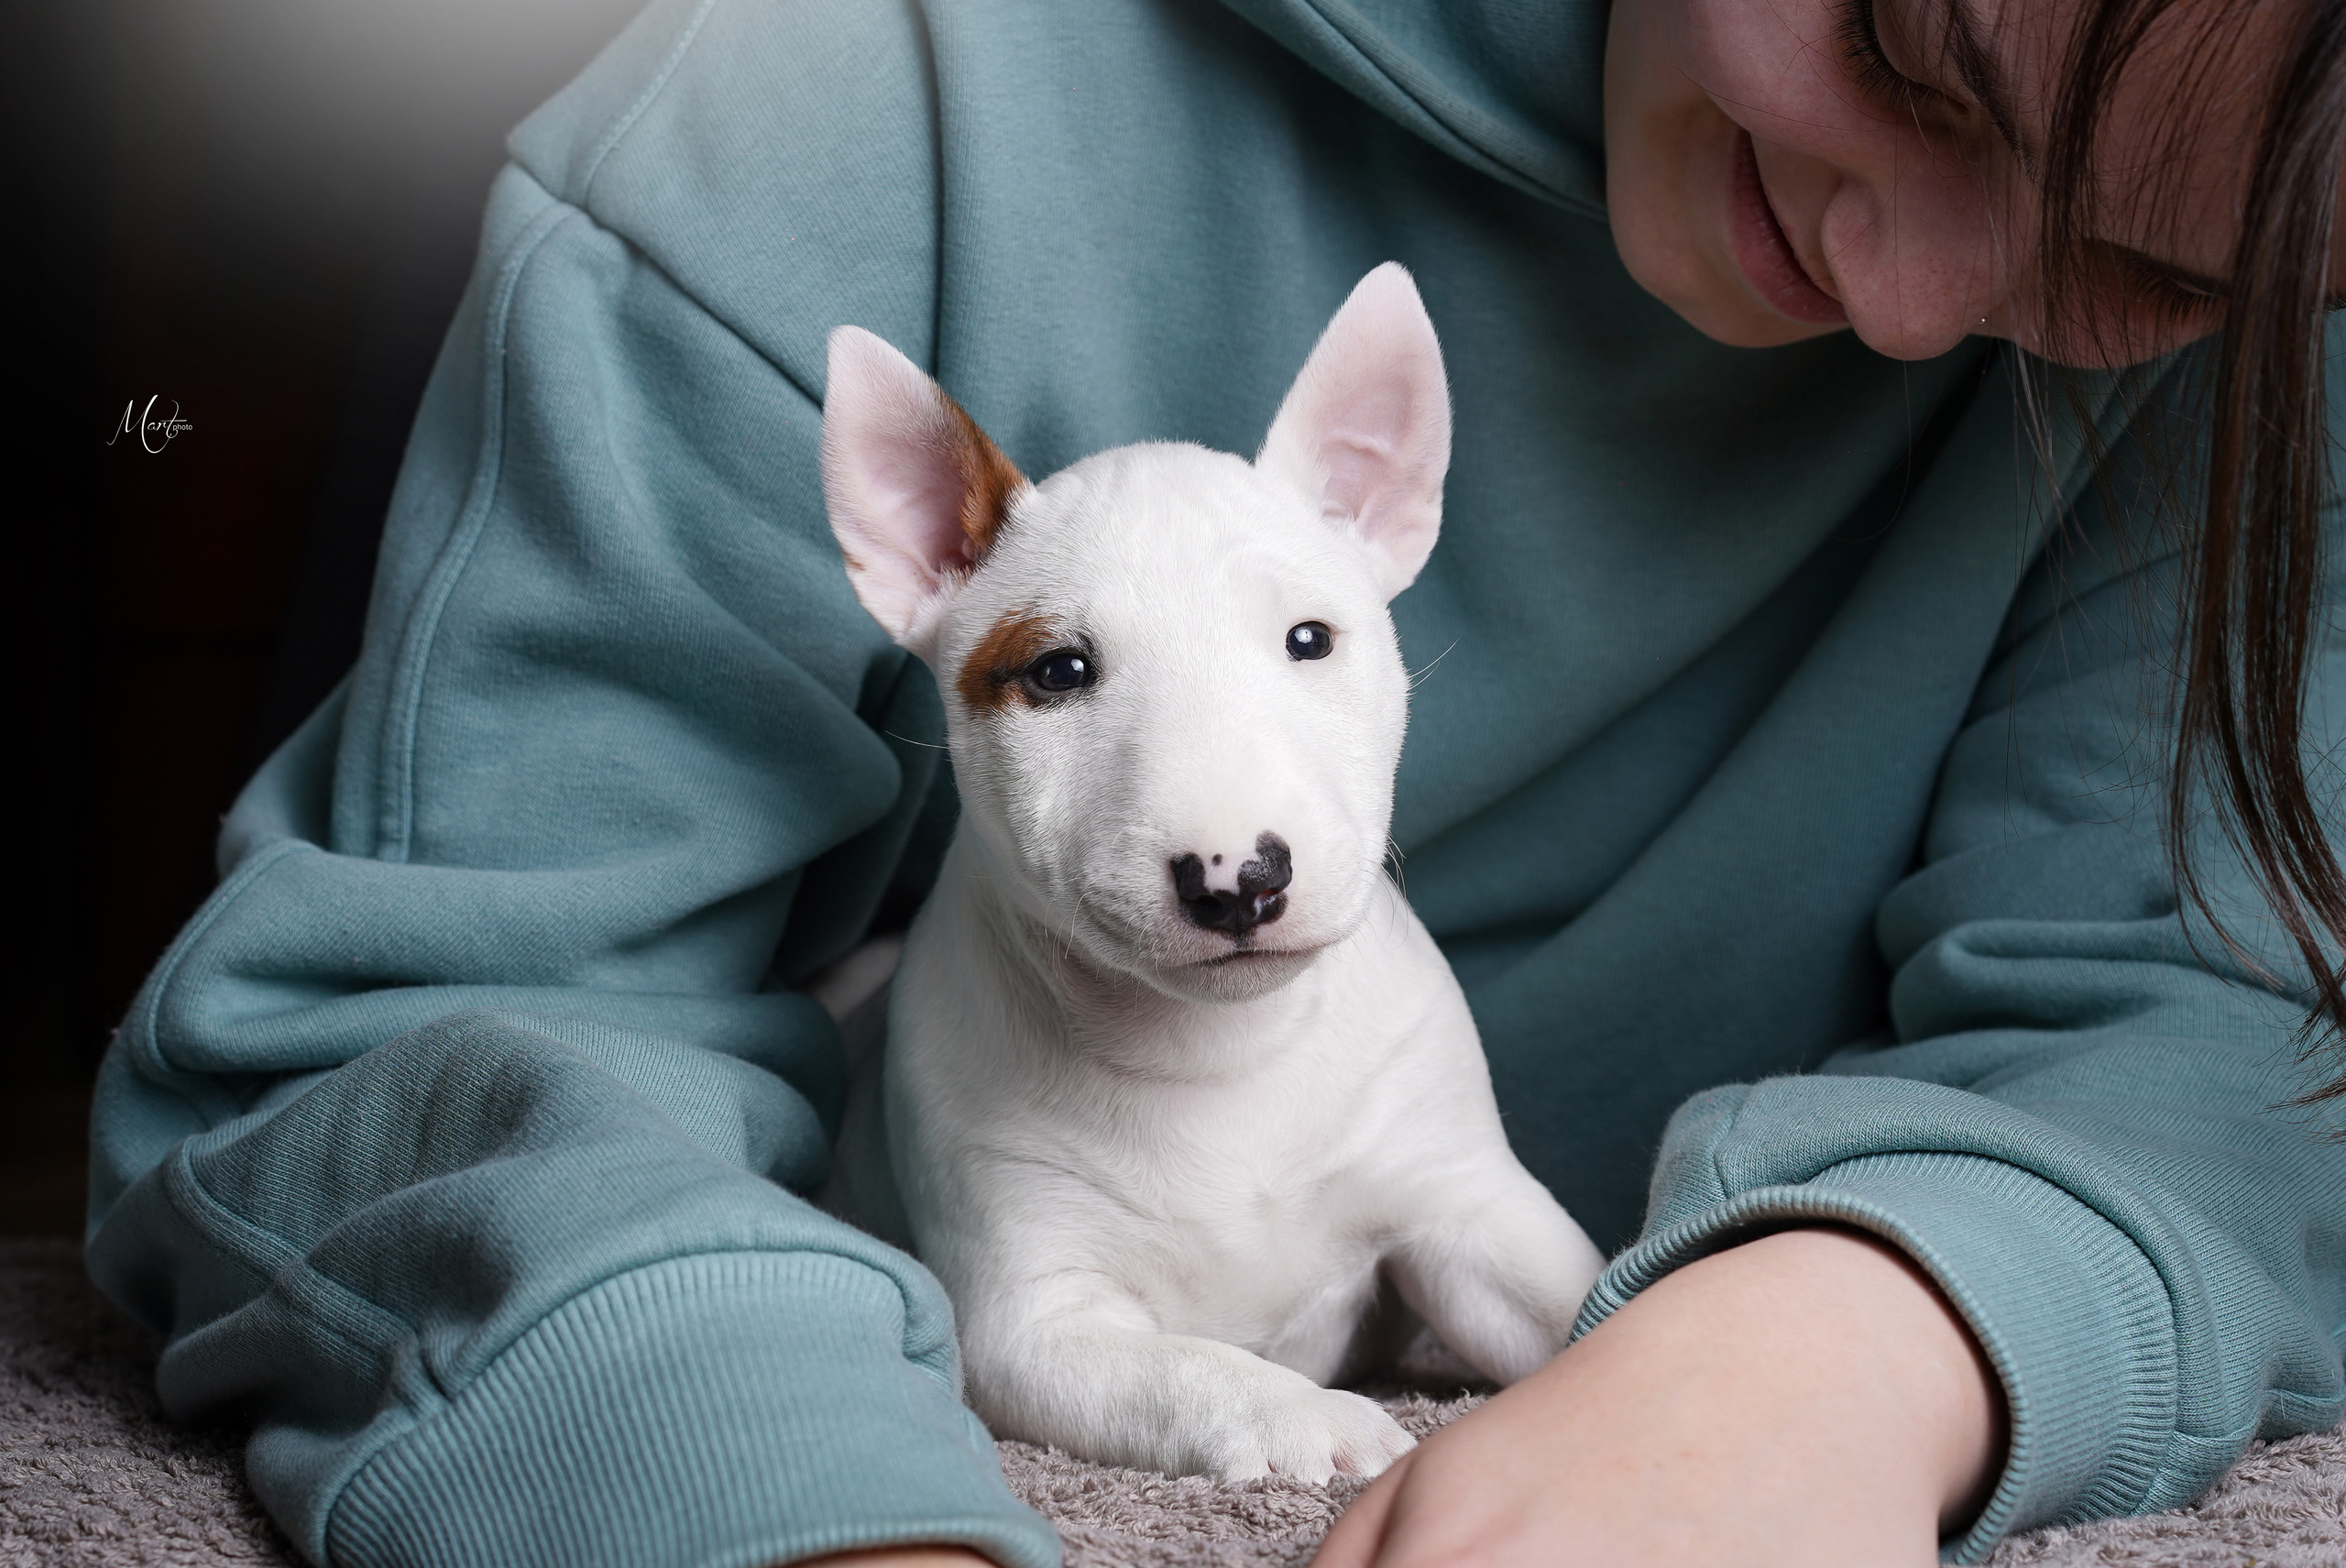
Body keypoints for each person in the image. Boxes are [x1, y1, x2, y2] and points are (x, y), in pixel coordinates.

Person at [83, 0, 2345, 1564]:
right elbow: (405, 1050)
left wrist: (1856, 1340)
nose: (1913, 288)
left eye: (2147, 254)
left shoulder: (2283, 299)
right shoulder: (849, 101)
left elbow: (2234, 1016)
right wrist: (761, 1483)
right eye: (1892, 49)